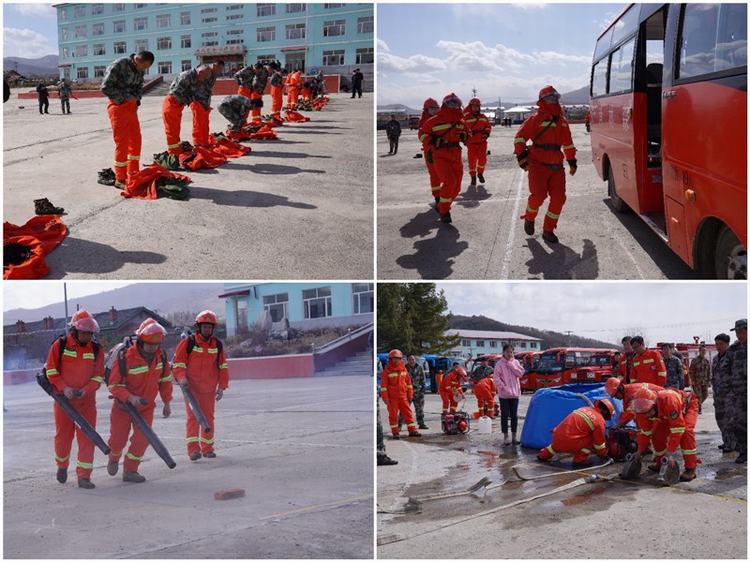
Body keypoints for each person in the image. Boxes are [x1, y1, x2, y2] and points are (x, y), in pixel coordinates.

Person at [43, 310, 105, 489]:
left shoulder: (96, 349)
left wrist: (86, 390)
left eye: (90, 333)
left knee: (87, 438)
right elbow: (51, 370)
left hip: (86, 402)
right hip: (64, 401)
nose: (87, 336)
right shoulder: (60, 345)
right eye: (84, 332)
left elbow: (98, 376)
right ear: (75, 330)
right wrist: (64, 388)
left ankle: (84, 476)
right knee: (63, 437)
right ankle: (62, 465)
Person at [106, 319, 173, 483]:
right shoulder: (125, 357)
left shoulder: (161, 357)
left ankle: (130, 470)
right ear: (141, 341)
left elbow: (165, 381)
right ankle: (113, 458)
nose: (153, 348)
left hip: (145, 407)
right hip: (123, 407)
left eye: (156, 345)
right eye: (150, 344)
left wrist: (167, 402)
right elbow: (114, 385)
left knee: (142, 440)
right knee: (118, 440)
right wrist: (130, 397)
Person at [514, 85, 577, 244]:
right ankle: (529, 217)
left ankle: (548, 230)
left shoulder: (562, 121)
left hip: (557, 167)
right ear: (542, 100)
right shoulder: (535, 119)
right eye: (550, 97)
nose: (553, 100)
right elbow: (520, 137)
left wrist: (572, 161)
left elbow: (568, 143)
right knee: (538, 196)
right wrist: (521, 156)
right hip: (538, 165)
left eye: (555, 97)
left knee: (559, 198)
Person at [172, 310, 229, 460]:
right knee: (193, 417)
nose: (207, 329)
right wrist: (182, 379)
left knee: (208, 418)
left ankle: (207, 449)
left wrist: (221, 387)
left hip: (208, 390)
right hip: (190, 389)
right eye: (205, 327)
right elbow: (178, 364)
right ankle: (193, 451)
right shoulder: (188, 343)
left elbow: (222, 366)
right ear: (198, 327)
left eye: (210, 327)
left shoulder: (217, 345)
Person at [101, 50, 154, 188]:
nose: (144, 70)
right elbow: (105, 87)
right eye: (144, 66)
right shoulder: (119, 65)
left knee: (136, 140)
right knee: (122, 142)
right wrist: (125, 97)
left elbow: (139, 87)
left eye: (146, 67)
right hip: (117, 106)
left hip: (131, 108)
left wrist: (136, 100)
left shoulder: (140, 69)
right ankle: (120, 178)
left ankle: (133, 173)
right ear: (138, 60)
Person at [629, 386, 699, 481]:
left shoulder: (669, 401)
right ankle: (661, 463)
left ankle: (691, 468)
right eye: (643, 414)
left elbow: (677, 429)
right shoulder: (641, 410)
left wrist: (669, 453)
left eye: (648, 413)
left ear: (654, 405)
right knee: (657, 435)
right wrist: (639, 451)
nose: (646, 416)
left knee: (686, 433)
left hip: (687, 406)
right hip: (664, 413)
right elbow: (645, 432)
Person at [418, 93, 467, 224]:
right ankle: (444, 210)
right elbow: (422, 134)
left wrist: (465, 136)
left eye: (456, 103)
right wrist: (432, 141)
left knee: (457, 187)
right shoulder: (434, 121)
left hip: (456, 155)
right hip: (439, 155)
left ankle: (442, 206)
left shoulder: (460, 121)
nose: (454, 106)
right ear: (445, 105)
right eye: (451, 103)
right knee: (449, 182)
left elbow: (468, 133)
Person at [537, 400, 613, 467]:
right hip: (571, 442)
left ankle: (542, 455)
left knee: (554, 447)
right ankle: (580, 460)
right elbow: (599, 444)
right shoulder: (599, 421)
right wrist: (603, 454)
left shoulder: (584, 408)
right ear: (606, 412)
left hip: (557, 436)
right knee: (591, 439)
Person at [162, 65, 211, 155]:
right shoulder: (185, 76)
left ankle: (176, 150)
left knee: (176, 130)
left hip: (178, 106)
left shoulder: (195, 78)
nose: (203, 80)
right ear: (200, 72)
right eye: (204, 77)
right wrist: (190, 99)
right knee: (171, 131)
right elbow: (175, 93)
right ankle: (173, 153)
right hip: (172, 104)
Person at [379, 350, 421, 439]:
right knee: (393, 415)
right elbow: (383, 387)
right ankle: (395, 432)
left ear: (400, 359)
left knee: (408, 414)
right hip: (392, 399)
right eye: (394, 358)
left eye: (397, 358)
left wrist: (410, 395)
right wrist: (385, 398)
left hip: (403, 397)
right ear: (390, 359)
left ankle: (412, 431)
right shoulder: (387, 372)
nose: (396, 360)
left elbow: (409, 384)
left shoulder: (404, 370)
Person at [723, 319, 747, 463]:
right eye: (737, 332)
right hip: (739, 394)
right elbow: (725, 368)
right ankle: (744, 452)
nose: (739, 335)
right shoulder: (734, 349)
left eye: (742, 332)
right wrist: (729, 385)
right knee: (739, 424)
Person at [493, 344, 525, 445]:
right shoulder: (499, 364)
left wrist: (512, 366)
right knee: (505, 415)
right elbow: (496, 378)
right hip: (504, 395)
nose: (509, 354)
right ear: (503, 352)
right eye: (507, 352)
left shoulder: (516, 362)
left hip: (515, 394)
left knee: (514, 416)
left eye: (511, 352)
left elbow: (520, 374)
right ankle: (506, 436)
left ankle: (514, 437)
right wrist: (504, 387)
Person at [191, 60, 224, 147]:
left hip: (206, 101)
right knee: (198, 123)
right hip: (197, 100)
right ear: (215, 65)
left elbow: (208, 86)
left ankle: (204, 142)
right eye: (219, 69)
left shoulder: (214, 74)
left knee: (205, 123)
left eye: (221, 70)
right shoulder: (204, 69)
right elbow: (193, 82)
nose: (220, 71)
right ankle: (198, 143)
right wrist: (193, 96)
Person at [712, 333, 735, 452]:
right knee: (720, 419)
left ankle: (732, 444)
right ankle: (726, 441)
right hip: (718, 395)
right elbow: (714, 376)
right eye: (716, 344)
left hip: (730, 395)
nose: (718, 346)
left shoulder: (732, 357)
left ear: (727, 344)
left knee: (730, 421)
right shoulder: (715, 359)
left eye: (720, 344)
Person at [463, 98, 492, 186]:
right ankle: (473, 177)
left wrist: (486, 133)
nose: (476, 108)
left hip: (482, 142)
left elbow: (488, 127)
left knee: (482, 160)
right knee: (471, 161)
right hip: (471, 143)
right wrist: (464, 138)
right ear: (470, 107)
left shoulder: (483, 117)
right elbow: (462, 129)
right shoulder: (466, 117)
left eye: (477, 106)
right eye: (474, 106)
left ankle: (480, 173)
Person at [418, 98, 441, 200]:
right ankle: (437, 197)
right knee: (434, 174)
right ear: (426, 110)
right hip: (430, 152)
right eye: (432, 108)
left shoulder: (441, 119)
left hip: (442, 151)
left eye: (436, 108)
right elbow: (421, 136)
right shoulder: (424, 122)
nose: (435, 110)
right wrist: (431, 140)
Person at [405, 355, 428, 429]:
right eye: (409, 359)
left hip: (418, 392)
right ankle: (399, 425)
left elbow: (423, 379)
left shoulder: (419, 367)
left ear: (415, 360)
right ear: (408, 360)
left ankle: (421, 423)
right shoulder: (404, 368)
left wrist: (423, 390)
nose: (411, 361)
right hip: (407, 392)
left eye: (412, 359)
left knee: (420, 409)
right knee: (404, 409)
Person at [688, 344, 711, 413]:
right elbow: (691, 371)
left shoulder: (706, 361)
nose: (704, 352)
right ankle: (698, 408)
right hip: (697, 381)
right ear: (699, 351)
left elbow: (709, 371)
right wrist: (692, 380)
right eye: (702, 351)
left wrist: (709, 380)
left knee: (705, 395)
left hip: (705, 381)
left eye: (705, 351)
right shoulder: (695, 360)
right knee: (699, 396)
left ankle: (696, 404)